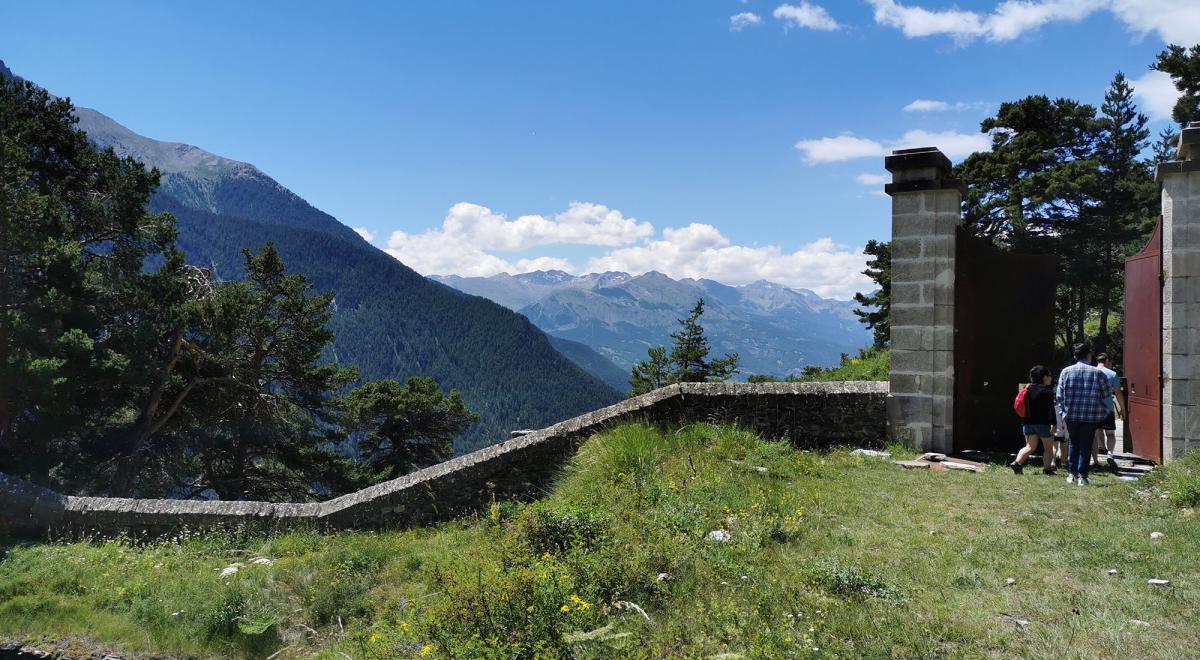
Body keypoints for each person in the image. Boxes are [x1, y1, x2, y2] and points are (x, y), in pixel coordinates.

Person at [1056, 342, 1114, 486]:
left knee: (1073, 443)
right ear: (1089, 355)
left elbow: (1059, 395)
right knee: (1086, 445)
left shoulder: (1066, 371)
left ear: (1075, 355)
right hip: (1091, 416)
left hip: (1071, 415)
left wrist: (1064, 413)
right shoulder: (1098, 373)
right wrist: (1103, 412)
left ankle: (1072, 474)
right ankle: (1083, 476)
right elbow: (1107, 395)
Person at [1010, 365, 1057, 475]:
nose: (1051, 378)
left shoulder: (1026, 389)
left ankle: (1017, 463)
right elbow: (1051, 410)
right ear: (1044, 377)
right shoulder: (1047, 392)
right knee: (1048, 448)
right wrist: (1054, 424)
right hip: (1043, 424)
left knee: (1030, 446)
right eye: (1050, 376)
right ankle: (1047, 470)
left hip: (1027, 423)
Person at [1092, 353, 1125, 468]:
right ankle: (1110, 454)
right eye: (1110, 363)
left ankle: (1095, 460)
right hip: (1107, 408)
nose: (1111, 365)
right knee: (1110, 434)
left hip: (1093, 408)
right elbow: (1118, 393)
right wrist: (1122, 408)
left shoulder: (1091, 372)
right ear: (1107, 361)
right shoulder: (1112, 374)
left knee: (1094, 435)